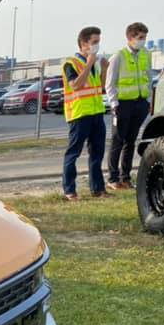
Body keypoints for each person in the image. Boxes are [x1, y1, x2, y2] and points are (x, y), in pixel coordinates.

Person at [60, 26, 109, 201]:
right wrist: (89, 63)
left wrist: (103, 69)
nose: (97, 45)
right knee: (73, 153)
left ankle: (98, 189)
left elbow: (100, 88)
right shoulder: (70, 63)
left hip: (96, 113)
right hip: (79, 115)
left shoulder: (94, 63)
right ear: (83, 43)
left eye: (98, 42)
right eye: (94, 42)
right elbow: (75, 85)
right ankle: (69, 190)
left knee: (97, 153)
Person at [105, 22, 152, 190]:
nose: (143, 41)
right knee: (118, 141)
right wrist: (114, 103)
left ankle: (125, 178)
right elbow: (109, 83)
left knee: (130, 141)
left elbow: (148, 77)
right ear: (130, 38)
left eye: (144, 37)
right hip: (122, 105)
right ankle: (112, 178)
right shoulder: (118, 56)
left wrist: (148, 100)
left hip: (140, 104)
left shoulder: (146, 54)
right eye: (140, 37)